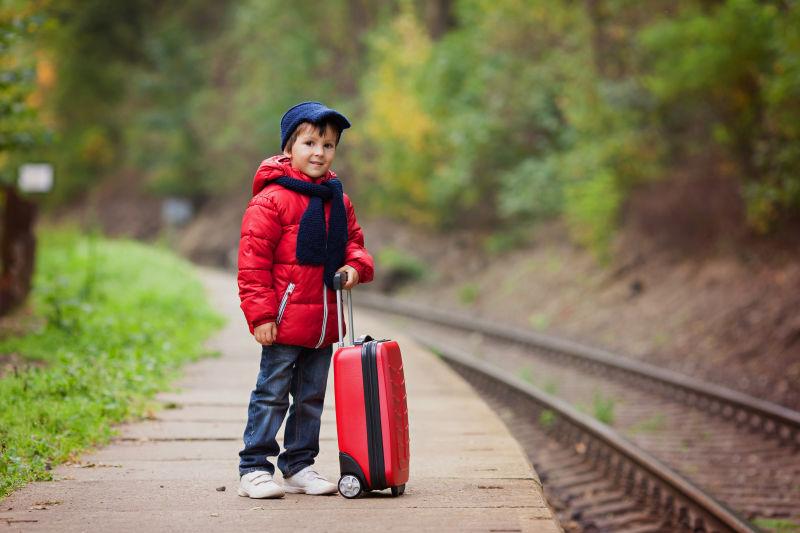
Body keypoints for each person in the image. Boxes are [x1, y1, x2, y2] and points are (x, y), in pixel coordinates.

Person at [236, 101, 374, 498]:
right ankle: (254, 468)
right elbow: (252, 264)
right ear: (288, 149)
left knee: (311, 397)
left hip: (324, 322)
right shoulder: (272, 199)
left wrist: (355, 268)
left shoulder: (337, 199)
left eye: (328, 145)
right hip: (283, 321)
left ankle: (299, 464)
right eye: (309, 142)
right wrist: (261, 314)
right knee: (272, 393)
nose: (319, 152)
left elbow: (355, 247)